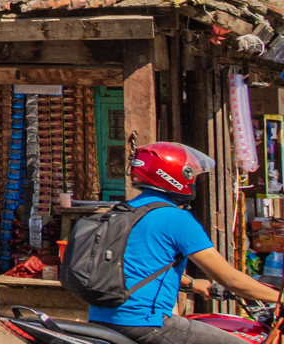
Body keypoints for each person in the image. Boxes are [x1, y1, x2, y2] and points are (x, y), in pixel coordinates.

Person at [87, 143, 284, 344]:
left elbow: (135, 266)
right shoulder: (175, 218)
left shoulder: (122, 212)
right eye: (191, 176)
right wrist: (279, 298)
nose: (192, 182)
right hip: (145, 322)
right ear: (175, 176)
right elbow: (232, 280)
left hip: (101, 318)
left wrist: (192, 283)